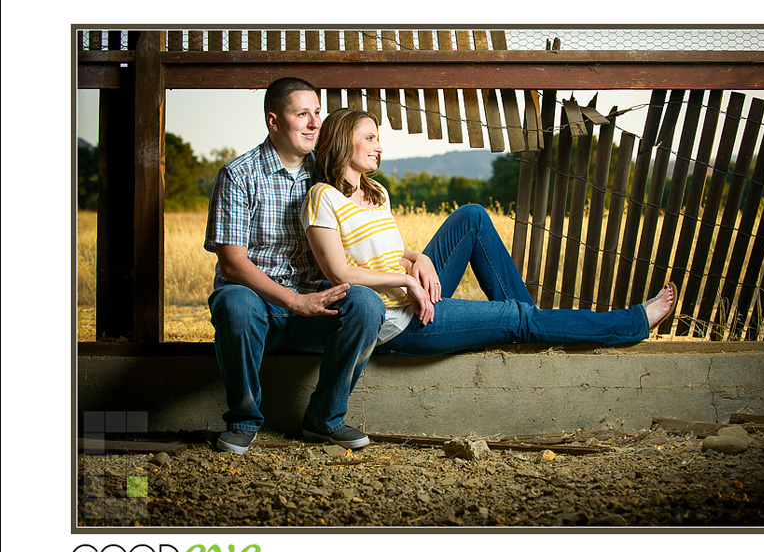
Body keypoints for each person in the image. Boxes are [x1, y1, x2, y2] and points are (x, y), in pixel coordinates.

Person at [301, 108, 676, 359]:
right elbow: (341, 274)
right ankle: (631, 323)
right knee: (517, 318)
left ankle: (532, 324)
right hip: (395, 325)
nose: (379, 147)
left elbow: (382, 255)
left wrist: (419, 258)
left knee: (473, 216)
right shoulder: (322, 197)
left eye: (378, 138)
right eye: (369, 138)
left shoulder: (376, 193)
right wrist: (408, 281)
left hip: (414, 298)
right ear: (341, 139)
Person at [204, 79, 385, 454]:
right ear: (274, 121)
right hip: (258, 308)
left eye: (317, 113)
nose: (314, 123)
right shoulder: (239, 175)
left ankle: (325, 419)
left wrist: (416, 259)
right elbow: (233, 263)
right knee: (234, 302)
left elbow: (367, 229)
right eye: (301, 114)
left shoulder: (327, 171)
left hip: (313, 305)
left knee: (366, 304)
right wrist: (292, 301)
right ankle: (243, 420)